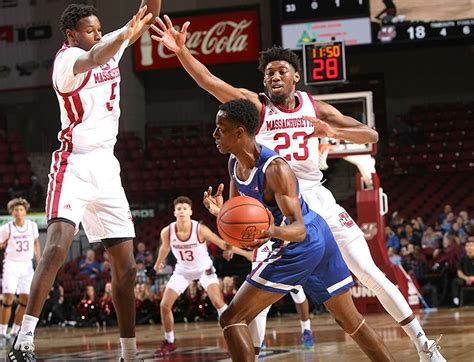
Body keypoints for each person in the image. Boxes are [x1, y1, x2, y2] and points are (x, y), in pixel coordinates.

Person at [151, 17, 445, 361]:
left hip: (316, 198)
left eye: (280, 71)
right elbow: (209, 81)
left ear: (295, 77)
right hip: (272, 207)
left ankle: (424, 346)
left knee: (369, 272)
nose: (273, 76)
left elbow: (371, 135)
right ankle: (254, 354)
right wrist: (182, 51)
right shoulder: (256, 107)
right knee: (255, 299)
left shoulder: (314, 108)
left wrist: (328, 130)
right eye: (268, 73)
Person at [8, 2, 162, 361]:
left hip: (107, 167)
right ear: (71, 34)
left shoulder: (109, 43)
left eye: (98, 29)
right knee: (57, 247)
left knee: (126, 267)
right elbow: (94, 58)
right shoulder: (66, 61)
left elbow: (150, 13)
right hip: (73, 164)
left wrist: (130, 28)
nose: (95, 34)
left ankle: (129, 351)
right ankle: (25, 339)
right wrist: (123, 35)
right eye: (89, 30)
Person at [203, 99, 393, 361]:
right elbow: (240, 213)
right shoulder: (234, 165)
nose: (214, 135)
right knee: (350, 321)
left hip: (303, 240)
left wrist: (270, 232)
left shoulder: (276, 169)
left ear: (239, 132)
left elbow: (298, 230)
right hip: (313, 236)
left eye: (220, 128)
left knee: (232, 318)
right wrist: (222, 212)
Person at [153, 196, 231, 356]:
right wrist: (159, 262)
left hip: (203, 268)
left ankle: (234, 335)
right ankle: (169, 340)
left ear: (190, 211)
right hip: (182, 270)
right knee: (164, 305)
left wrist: (228, 247)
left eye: (184, 208)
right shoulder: (167, 231)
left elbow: (220, 242)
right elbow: (165, 247)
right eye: (179, 208)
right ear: (175, 212)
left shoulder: (200, 229)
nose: (181, 211)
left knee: (218, 302)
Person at [229, 246, 315, 350]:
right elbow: (233, 239)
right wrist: (240, 251)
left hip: (283, 250)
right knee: (260, 304)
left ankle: (306, 329)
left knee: (298, 293)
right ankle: (259, 340)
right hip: (261, 254)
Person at [0, 198, 41, 345]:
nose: (19, 212)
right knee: (8, 298)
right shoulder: (6, 228)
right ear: (12, 212)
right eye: (16, 210)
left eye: (21, 209)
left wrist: (39, 257)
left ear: (25, 211)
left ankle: (15, 330)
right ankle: (2, 331)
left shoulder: (32, 226)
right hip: (11, 264)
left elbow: (36, 242)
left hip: (26, 265)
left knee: (26, 300)